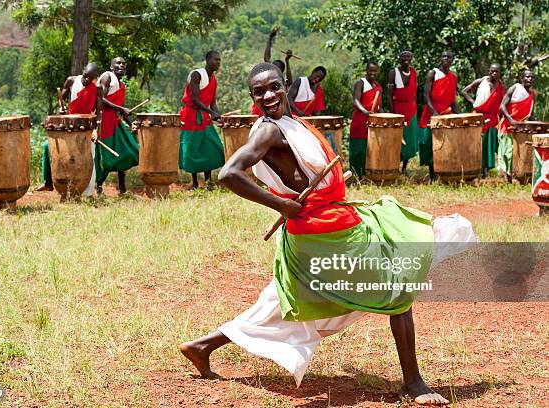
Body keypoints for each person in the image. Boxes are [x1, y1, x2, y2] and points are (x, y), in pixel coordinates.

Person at [179, 63, 477, 406]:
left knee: (279, 301)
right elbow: (229, 174)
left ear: (285, 85)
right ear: (252, 97)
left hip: (326, 223)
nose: (268, 96)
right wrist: (282, 205)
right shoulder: (268, 131)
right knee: (397, 283)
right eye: (259, 92)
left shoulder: (291, 124)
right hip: (321, 230)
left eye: (274, 87)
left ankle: (201, 346)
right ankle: (413, 383)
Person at [37, 63, 103, 195]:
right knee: (47, 147)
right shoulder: (71, 81)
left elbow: (98, 113)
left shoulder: (97, 88)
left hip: (86, 127)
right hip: (69, 126)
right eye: (85, 76)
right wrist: (61, 109)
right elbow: (62, 99)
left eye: (90, 78)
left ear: (95, 78)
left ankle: (88, 192)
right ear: (83, 70)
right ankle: (49, 182)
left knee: (90, 155)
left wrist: (96, 130)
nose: (86, 80)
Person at [179, 51, 225, 189]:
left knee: (210, 146)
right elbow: (194, 98)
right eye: (215, 59)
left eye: (219, 60)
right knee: (193, 148)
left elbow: (213, 102)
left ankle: (209, 181)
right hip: (191, 116)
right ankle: (194, 183)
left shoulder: (214, 79)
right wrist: (211, 113)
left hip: (205, 116)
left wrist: (218, 116)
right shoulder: (197, 75)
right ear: (207, 60)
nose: (218, 62)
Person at [96, 57, 139, 195]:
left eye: (124, 64)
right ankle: (99, 184)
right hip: (103, 121)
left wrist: (131, 123)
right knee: (107, 157)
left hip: (116, 122)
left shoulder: (122, 85)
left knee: (129, 151)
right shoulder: (107, 77)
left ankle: (122, 188)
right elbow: (100, 100)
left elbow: (121, 109)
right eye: (118, 63)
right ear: (111, 66)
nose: (121, 65)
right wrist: (121, 109)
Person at [419, 51, 458, 181]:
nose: (446, 58)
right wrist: (434, 112)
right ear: (441, 59)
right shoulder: (433, 73)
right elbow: (425, 94)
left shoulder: (453, 77)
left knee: (446, 143)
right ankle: (432, 175)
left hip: (447, 112)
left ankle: (444, 174)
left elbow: (453, 100)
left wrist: (458, 115)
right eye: (444, 56)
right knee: (429, 142)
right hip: (432, 111)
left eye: (449, 57)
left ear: (452, 60)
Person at [462, 64, 505, 177]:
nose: (494, 73)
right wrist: (474, 103)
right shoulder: (482, 81)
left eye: (497, 71)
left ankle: (486, 169)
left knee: (489, 144)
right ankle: (475, 168)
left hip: (492, 118)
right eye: (492, 71)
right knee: (478, 143)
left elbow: (502, 103)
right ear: (489, 71)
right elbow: (464, 91)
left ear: (500, 73)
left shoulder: (500, 85)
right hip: (479, 116)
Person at [497, 69, 536, 182]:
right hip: (508, 126)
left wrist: (537, 126)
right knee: (508, 152)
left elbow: (530, 114)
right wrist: (511, 119)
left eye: (532, 77)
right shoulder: (514, 88)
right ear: (522, 78)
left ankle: (517, 175)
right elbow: (502, 106)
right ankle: (507, 176)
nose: (530, 79)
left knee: (519, 153)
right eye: (527, 77)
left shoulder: (532, 94)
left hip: (522, 128)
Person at [388, 50, 419, 176]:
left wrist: (415, 106)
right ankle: (394, 165)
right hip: (398, 109)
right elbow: (389, 95)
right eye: (403, 56)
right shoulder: (393, 72)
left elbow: (414, 92)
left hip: (411, 109)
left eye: (408, 56)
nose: (406, 58)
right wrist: (392, 113)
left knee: (410, 140)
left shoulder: (413, 72)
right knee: (397, 139)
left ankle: (404, 168)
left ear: (411, 58)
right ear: (399, 58)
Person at [349, 61, 382, 178]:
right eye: (370, 70)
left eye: (375, 70)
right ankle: (355, 173)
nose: (372, 73)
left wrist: (383, 117)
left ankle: (366, 173)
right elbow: (356, 100)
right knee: (358, 147)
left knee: (369, 148)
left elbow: (379, 106)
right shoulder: (360, 83)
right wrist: (365, 111)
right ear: (366, 71)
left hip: (372, 120)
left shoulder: (378, 87)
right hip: (360, 119)